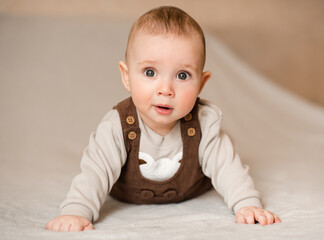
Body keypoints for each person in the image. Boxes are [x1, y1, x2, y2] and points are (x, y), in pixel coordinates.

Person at [46, 6, 281, 232]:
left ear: (202, 83)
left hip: (192, 191)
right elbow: (95, 172)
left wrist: (247, 203)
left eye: (182, 75)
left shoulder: (204, 124)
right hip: (126, 195)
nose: (166, 89)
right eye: (150, 72)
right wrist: (77, 211)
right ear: (127, 76)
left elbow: (227, 168)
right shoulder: (117, 126)